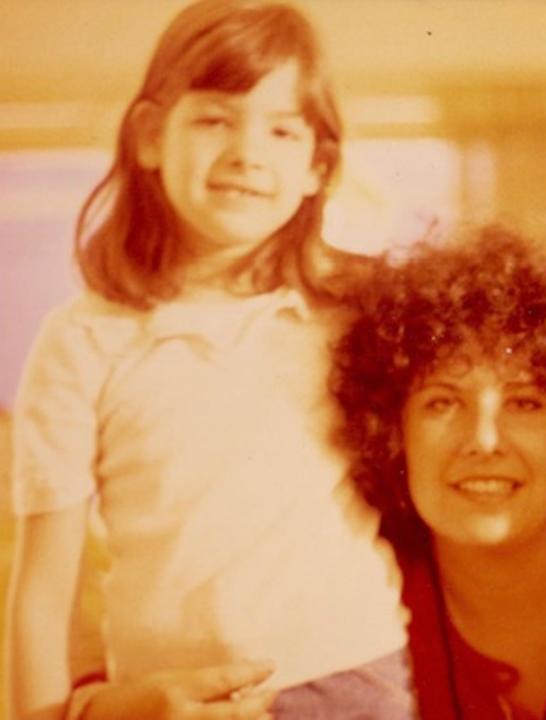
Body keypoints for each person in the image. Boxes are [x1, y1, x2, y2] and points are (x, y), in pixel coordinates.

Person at [4, 2, 410, 718]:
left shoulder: (356, 313)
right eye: (215, 119)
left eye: (282, 130)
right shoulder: (82, 341)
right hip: (167, 698)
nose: (247, 152)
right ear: (152, 138)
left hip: (356, 681)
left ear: (318, 167)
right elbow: (41, 590)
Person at [327, 224, 546, 719]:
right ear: (393, 434)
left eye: (525, 402)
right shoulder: (356, 598)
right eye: (442, 402)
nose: (483, 440)